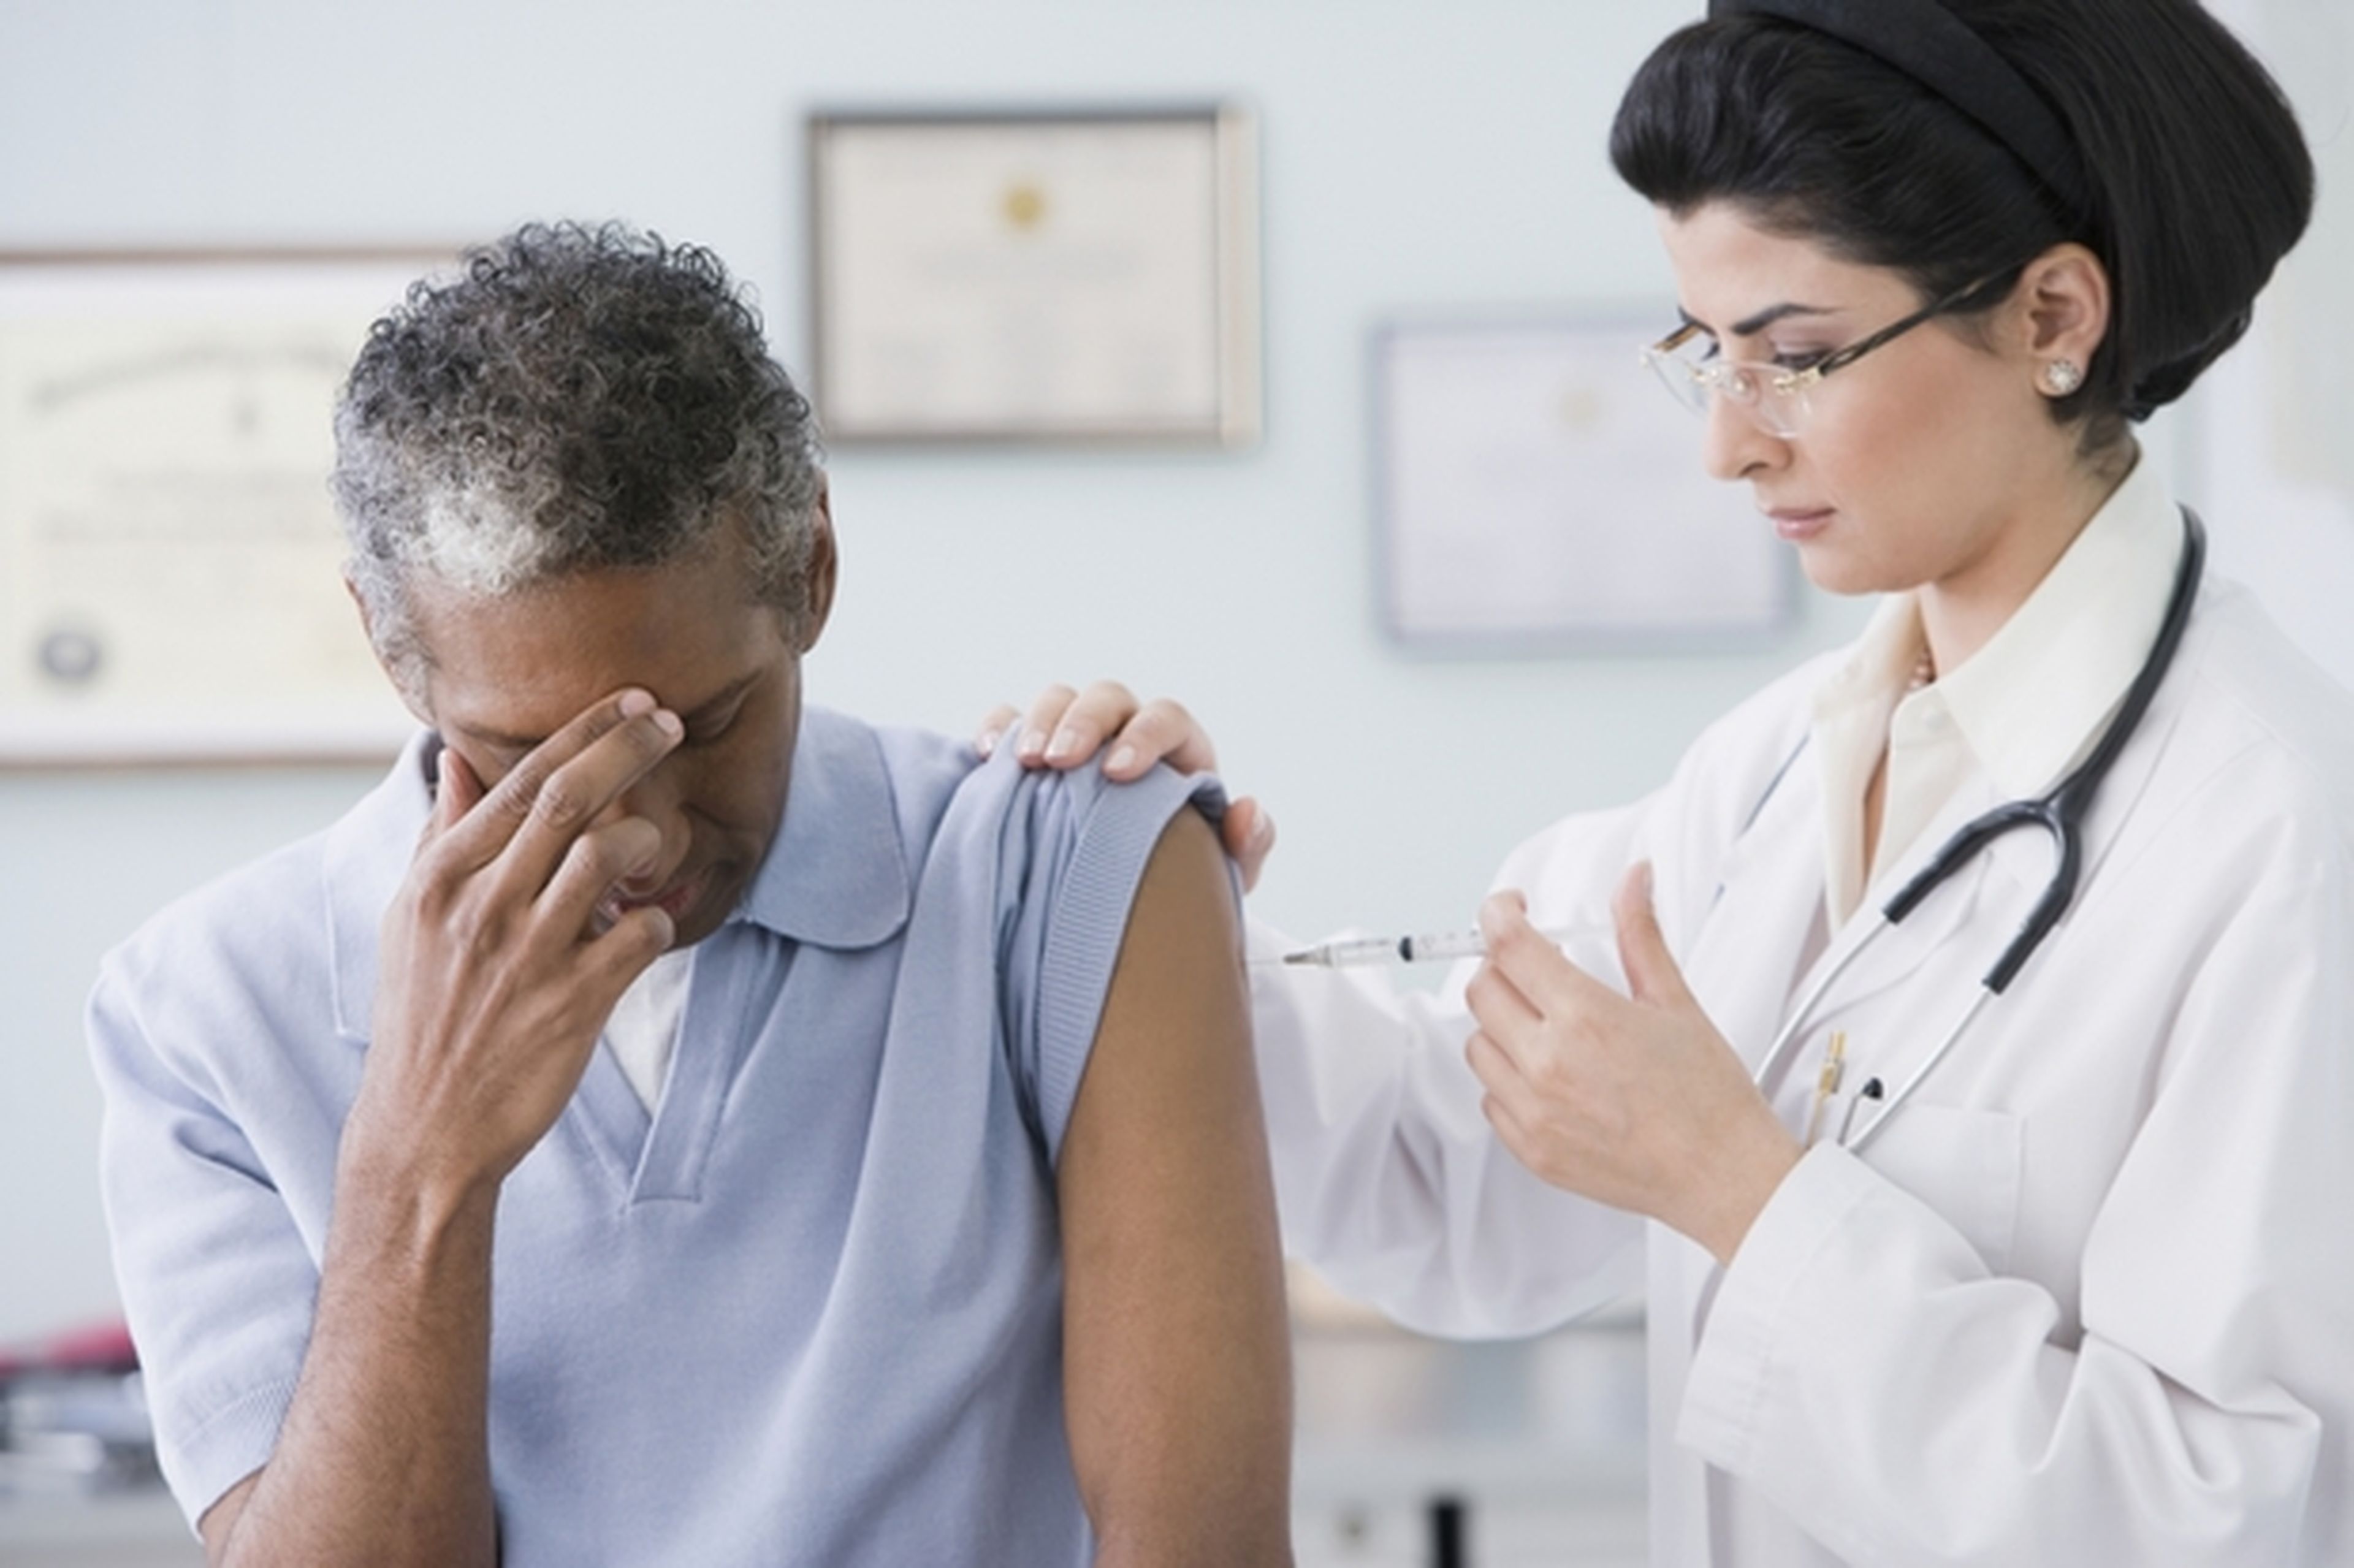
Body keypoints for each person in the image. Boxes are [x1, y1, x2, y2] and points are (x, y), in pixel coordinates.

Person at [1002, 1, 2354, 1562]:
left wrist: (1736, 1188)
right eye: (1705, 356)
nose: (1727, 446)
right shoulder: (1776, 770)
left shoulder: (2279, 836)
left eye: (1792, 357)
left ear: (2054, 316)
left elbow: (2231, 1518)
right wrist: (1156, 928)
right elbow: (1457, 1177)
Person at [87, 223, 1294, 1568]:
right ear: (389, 646)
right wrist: (417, 1165)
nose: (646, 836)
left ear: (813, 570)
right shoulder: (200, 1011)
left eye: (707, 724)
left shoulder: (1070, 868)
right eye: (536, 762)